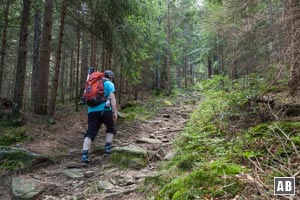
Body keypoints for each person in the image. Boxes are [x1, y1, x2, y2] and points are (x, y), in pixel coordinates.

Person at [81, 70, 118, 163]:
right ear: (111, 77)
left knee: (90, 133)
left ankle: (84, 156)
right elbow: (112, 98)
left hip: (91, 111)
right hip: (105, 110)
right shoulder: (109, 83)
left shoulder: (93, 83)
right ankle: (108, 148)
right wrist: (115, 111)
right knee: (111, 128)